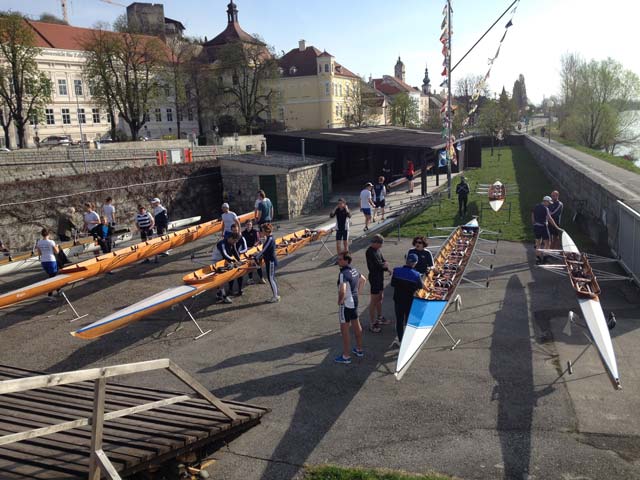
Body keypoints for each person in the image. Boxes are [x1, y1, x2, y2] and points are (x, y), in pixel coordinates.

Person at [335, 252, 367, 364]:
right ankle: (359, 349)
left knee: (345, 331)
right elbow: (363, 279)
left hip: (346, 304)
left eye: (340, 259)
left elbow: (342, 289)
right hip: (355, 302)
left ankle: (346, 356)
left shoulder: (343, 273)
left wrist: (340, 301)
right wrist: (358, 292)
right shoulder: (354, 270)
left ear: (346, 260)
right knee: (356, 325)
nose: (338, 261)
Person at [391, 253, 423, 345]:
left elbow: (393, 284)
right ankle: (408, 340)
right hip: (409, 300)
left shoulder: (396, 271)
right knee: (408, 320)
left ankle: (400, 340)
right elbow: (420, 286)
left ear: (406, 261)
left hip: (398, 299)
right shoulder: (416, 275)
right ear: (415, 263)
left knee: (399, 320)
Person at [366, 234, 390, 333]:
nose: (381, 246)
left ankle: (379, 317)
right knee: (374, 300)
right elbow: (378, 265)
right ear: (375, 243)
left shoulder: (377, 250)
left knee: (380, 297)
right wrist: (385, 266)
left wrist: (386, 266)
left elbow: (383, 261)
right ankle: (372, 323)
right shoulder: (370, 252)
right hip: (374, 278)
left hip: (380, 277)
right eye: (380, 244)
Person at [253, 223, 279, 303]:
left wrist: (256, 257)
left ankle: (276, 297)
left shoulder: (270, 239)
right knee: (271, 278)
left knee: (271, 279)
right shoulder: (268, 238)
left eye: (263, 230)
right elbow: (264, 250)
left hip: (271, 261)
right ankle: (276, 295)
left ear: (266, 231)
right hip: (269, 261)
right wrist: (257, 254)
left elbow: (264, 250)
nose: (261, 232)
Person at [212, 233, 241, 304]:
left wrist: (239, 260)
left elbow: (234, 251)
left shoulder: (232, 242)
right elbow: (225, 254)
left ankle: (219, 294)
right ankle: (224, 296)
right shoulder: (222, 243)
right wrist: (234, 261)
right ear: (231, 238)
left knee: (224, 279)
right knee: (222, 279)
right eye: (234, 241)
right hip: (217, 262)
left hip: (224, 261)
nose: (235, 243)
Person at [532, 195, 562, 264]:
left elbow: (533, 215)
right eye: (548, 203)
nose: (549, 204)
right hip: (543, 227)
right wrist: (556, 226)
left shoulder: (536, 206)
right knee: (547, 243)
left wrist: (534, 223)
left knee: (538, 243)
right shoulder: (546, 209)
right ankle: (545, 258)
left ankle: (538, 259)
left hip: (536, 227)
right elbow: (549, 218)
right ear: (545, 201)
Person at [36, 228, 60, 300]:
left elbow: (39, 253)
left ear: (42, 235)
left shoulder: (39, 242)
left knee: (52, 277)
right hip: (51, 261)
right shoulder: (51, 242)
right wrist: (57, 247)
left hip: (44, 261)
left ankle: (59, 290)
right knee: (52, 278)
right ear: (48, 234)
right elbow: (57, 252)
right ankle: (50, 295)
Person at [242, 220, 265, 285]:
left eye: (250, 224)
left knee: (257, 264)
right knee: (249, 264)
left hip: (254, 250)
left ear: (252, 225)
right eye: (247, 224)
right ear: (245, 225)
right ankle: (250, 279)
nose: (248, 226)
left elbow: (258, 241)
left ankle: (261, 278)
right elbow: (242, 242)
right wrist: (246, 248)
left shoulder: (255, 232)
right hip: (247, 250)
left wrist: (253, 246)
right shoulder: (243, 233)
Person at [227, 223, 247, 296]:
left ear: (238, 230)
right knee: (231, 274)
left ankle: (240, 289)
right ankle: (230, 289)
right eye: (233, 230)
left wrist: (239, 252)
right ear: (231, 231)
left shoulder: (241, 238)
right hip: (231, 257)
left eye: (236, 230)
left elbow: (245, 248)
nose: (235, 232)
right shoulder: (229, 237)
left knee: (239, 274)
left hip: (239, 256)